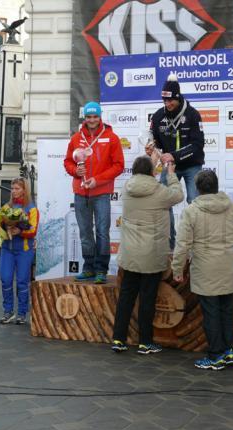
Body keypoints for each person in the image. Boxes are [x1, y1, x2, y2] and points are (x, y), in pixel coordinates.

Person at [172, 170, 233, 370]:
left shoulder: (191, 210)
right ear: (216, 185)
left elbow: (182, 244)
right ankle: (229, 350)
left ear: (197, 189)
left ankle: (215, 356)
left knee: (211, 312)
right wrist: (225, 245)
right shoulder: (231, 206)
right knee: (226, 310)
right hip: (226, 265)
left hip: (204, 267)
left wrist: (177, 268)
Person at [112, 156, 184, 354]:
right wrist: (171, 174)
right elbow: (178, 195)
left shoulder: (126, 188)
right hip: (152, 253)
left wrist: (151, 161)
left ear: (134, 171)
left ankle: (118, 339)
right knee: (147, 298)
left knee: (126, 297)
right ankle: (145, 342)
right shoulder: (159, 191)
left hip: (130, 253)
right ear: (153, 172)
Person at [64, 101, 124, 284]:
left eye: (95, 116)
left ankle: (101, 270)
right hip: (81, 192)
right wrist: (76, 171)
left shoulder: (111, 137)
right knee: (84, 232)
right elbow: (68, 162)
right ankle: (88, 267)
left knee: (103, 232)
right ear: (85, 117)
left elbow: (119, 166)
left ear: (100, 117)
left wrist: (97, 180)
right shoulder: (76, 138)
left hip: (101, 193)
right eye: (89, 117)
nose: (92, 120)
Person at [148, 74, 205, 249]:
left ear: (178, 97)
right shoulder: (158, 116)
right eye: (164, 101)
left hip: (191, 165)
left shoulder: (193, 115)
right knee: (164, 202)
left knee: (194, 203)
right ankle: (170, 245)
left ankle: (195, 245)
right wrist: (152, 147)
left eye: (171, 100)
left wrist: (173, 155)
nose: (167, 104)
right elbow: (154, 138)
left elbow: (198, 145)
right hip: (169, 166)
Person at [0, 177, 39, 325]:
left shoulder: (32, 209)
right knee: (5, 279)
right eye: (13, 188)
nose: (14, 191)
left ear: (24, 190)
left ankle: (22, 313)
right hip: (7, 249)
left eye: (17, 188)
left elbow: (33, 230)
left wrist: (19, 231)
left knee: (22, 282)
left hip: (24, 251)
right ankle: (8, 311)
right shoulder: (6, 207)